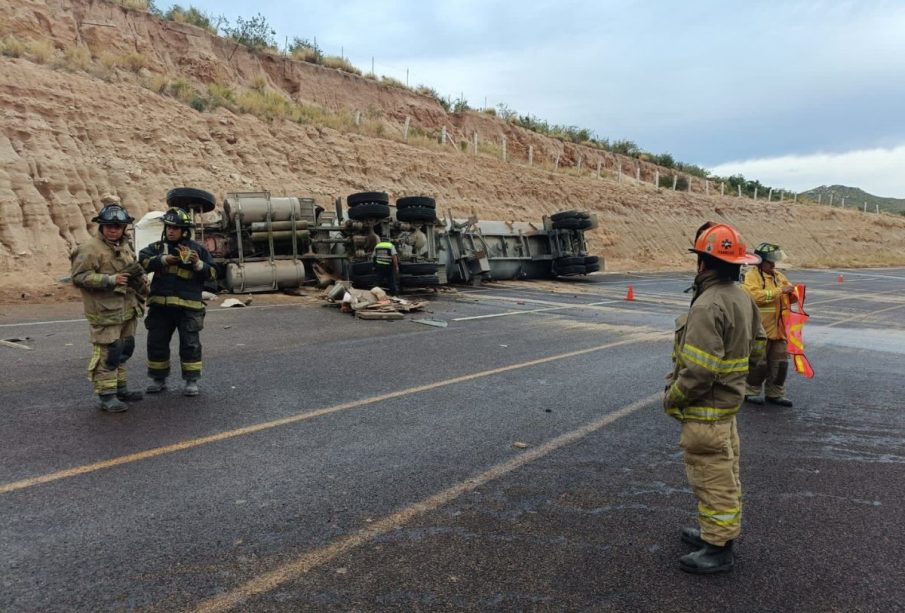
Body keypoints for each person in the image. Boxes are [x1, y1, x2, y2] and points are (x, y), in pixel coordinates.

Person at [663, 222, 766, 574]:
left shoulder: (709, 304)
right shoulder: (743, 298)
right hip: (726, 408)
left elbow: (699, 371)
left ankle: (718, 548)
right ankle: (715, 533)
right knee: (725, 473)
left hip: (706, 411)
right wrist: (737, 383)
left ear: (703, 263)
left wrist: (673, 398)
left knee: (712, 478)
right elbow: (759, 351)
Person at [70, 195, 147, 413]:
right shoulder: (89, 249)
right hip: (105, 311)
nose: (113, 230)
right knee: (109, 353)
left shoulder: (125, 246)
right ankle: (106, 395)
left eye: (118, 226)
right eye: (109, 226)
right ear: (102, 226)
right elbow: (79, 277)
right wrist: (110, 280)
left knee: (125, 349)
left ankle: (120, 389)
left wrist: (140, 281)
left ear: (124, 228)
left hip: (127, 308)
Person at [138, 207, 216, 396]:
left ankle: (191, 381)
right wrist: (163, 260)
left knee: (190, 344)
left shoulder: (198, 250)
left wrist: (198, 264)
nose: (171, 231)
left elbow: (213, 274)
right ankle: (158, 379)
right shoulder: (157, 248)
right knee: (156, 343)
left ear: (184, 231)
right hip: (160, 307)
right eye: (168, 227)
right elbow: (142, 260)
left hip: (188, 308)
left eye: (175, 228)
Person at [742, 243, 796, 407]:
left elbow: (791, 297)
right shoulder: (752, 276)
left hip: (779, 331)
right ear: (760, 261)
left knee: (780, 365)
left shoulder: (778, 276)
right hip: (760, 331)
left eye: (774, 262)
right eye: (770, 262)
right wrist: (780, 291)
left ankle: (775, 394)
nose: (773, 265)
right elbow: (754, 296)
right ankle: (751, 392)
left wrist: (794, 293)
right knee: (759, 364)